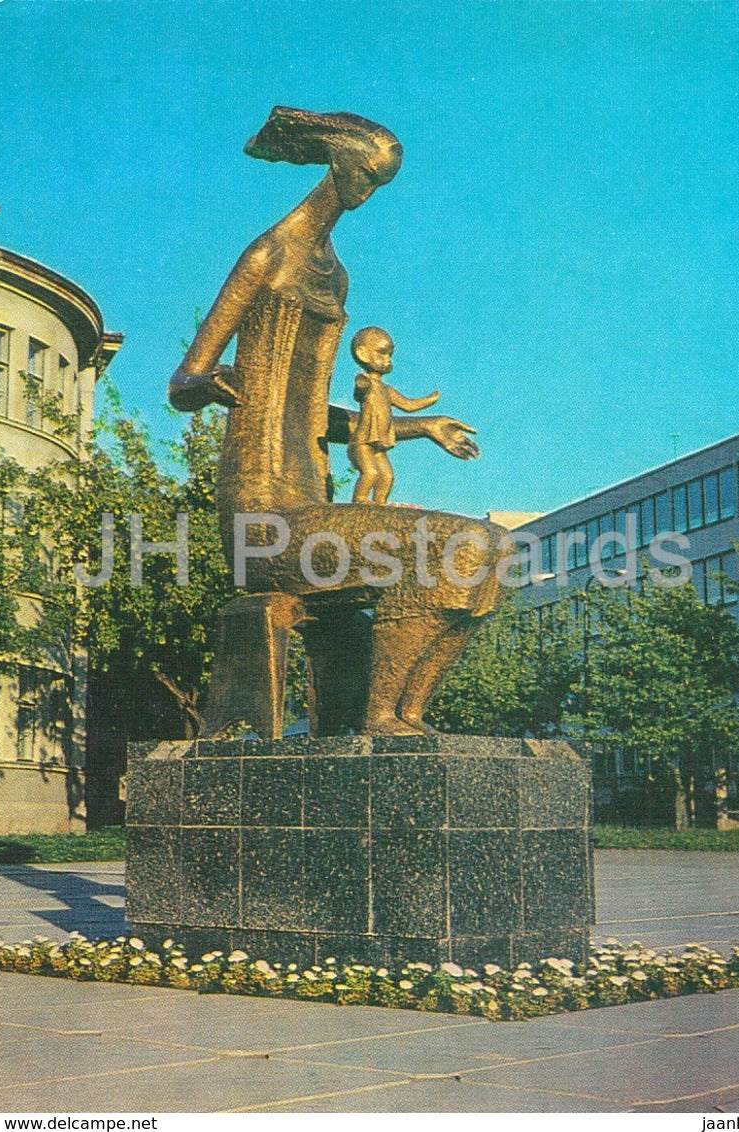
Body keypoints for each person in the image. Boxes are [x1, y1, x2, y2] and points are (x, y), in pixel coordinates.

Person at [169, 106, 505, 736]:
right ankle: (381, 716)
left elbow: (315, 415)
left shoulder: (336, 274)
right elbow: (183, 380)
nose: (369, 193)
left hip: (310, 501)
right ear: (341, 165)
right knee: (455, 546)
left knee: (491, 550)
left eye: (381, 183)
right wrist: (214, 385)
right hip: (261, 517)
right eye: (369, 177)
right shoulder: (268, 253)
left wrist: (419, 427)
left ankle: (404, 713)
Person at [348, 327, 439, 504]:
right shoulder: (365, 382)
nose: (388, 359)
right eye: (382, 353)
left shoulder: (386, 390)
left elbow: (408, 405)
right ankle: (360, 500)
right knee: (371, 473)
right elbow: (359, 392)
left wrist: (429, 400)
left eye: (389, 354)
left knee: (387, 477)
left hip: (379, 444)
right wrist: (361, 386)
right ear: (363, 354)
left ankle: (380, 503)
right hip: (362, 443)